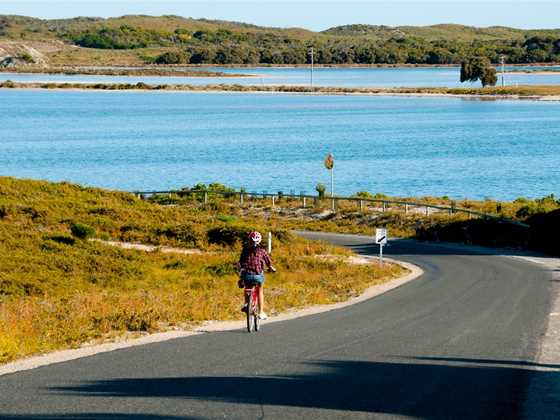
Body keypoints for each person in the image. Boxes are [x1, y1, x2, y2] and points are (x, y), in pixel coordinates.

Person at [237, 231, 275, 320]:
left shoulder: (245, 250)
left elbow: (241, 262)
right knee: (260, 291)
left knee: (247, 287)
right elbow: (268, 262)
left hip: (247, 275)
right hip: (258, 275)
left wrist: (240, 270)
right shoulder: (262, 251)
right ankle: (261, 312)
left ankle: (247, 303)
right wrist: (271, 268)